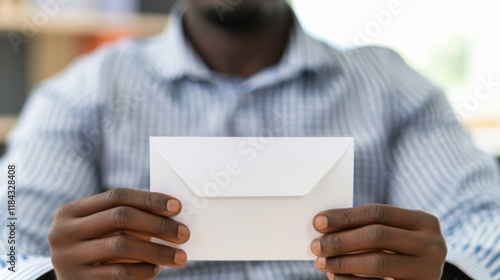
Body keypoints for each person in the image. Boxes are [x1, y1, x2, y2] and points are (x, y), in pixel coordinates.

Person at [1, 0, 499, 279]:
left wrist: (450, 273)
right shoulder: (80, 93)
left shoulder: (394, 89)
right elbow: (6, 244)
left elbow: (486, 231)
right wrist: (50, 278)